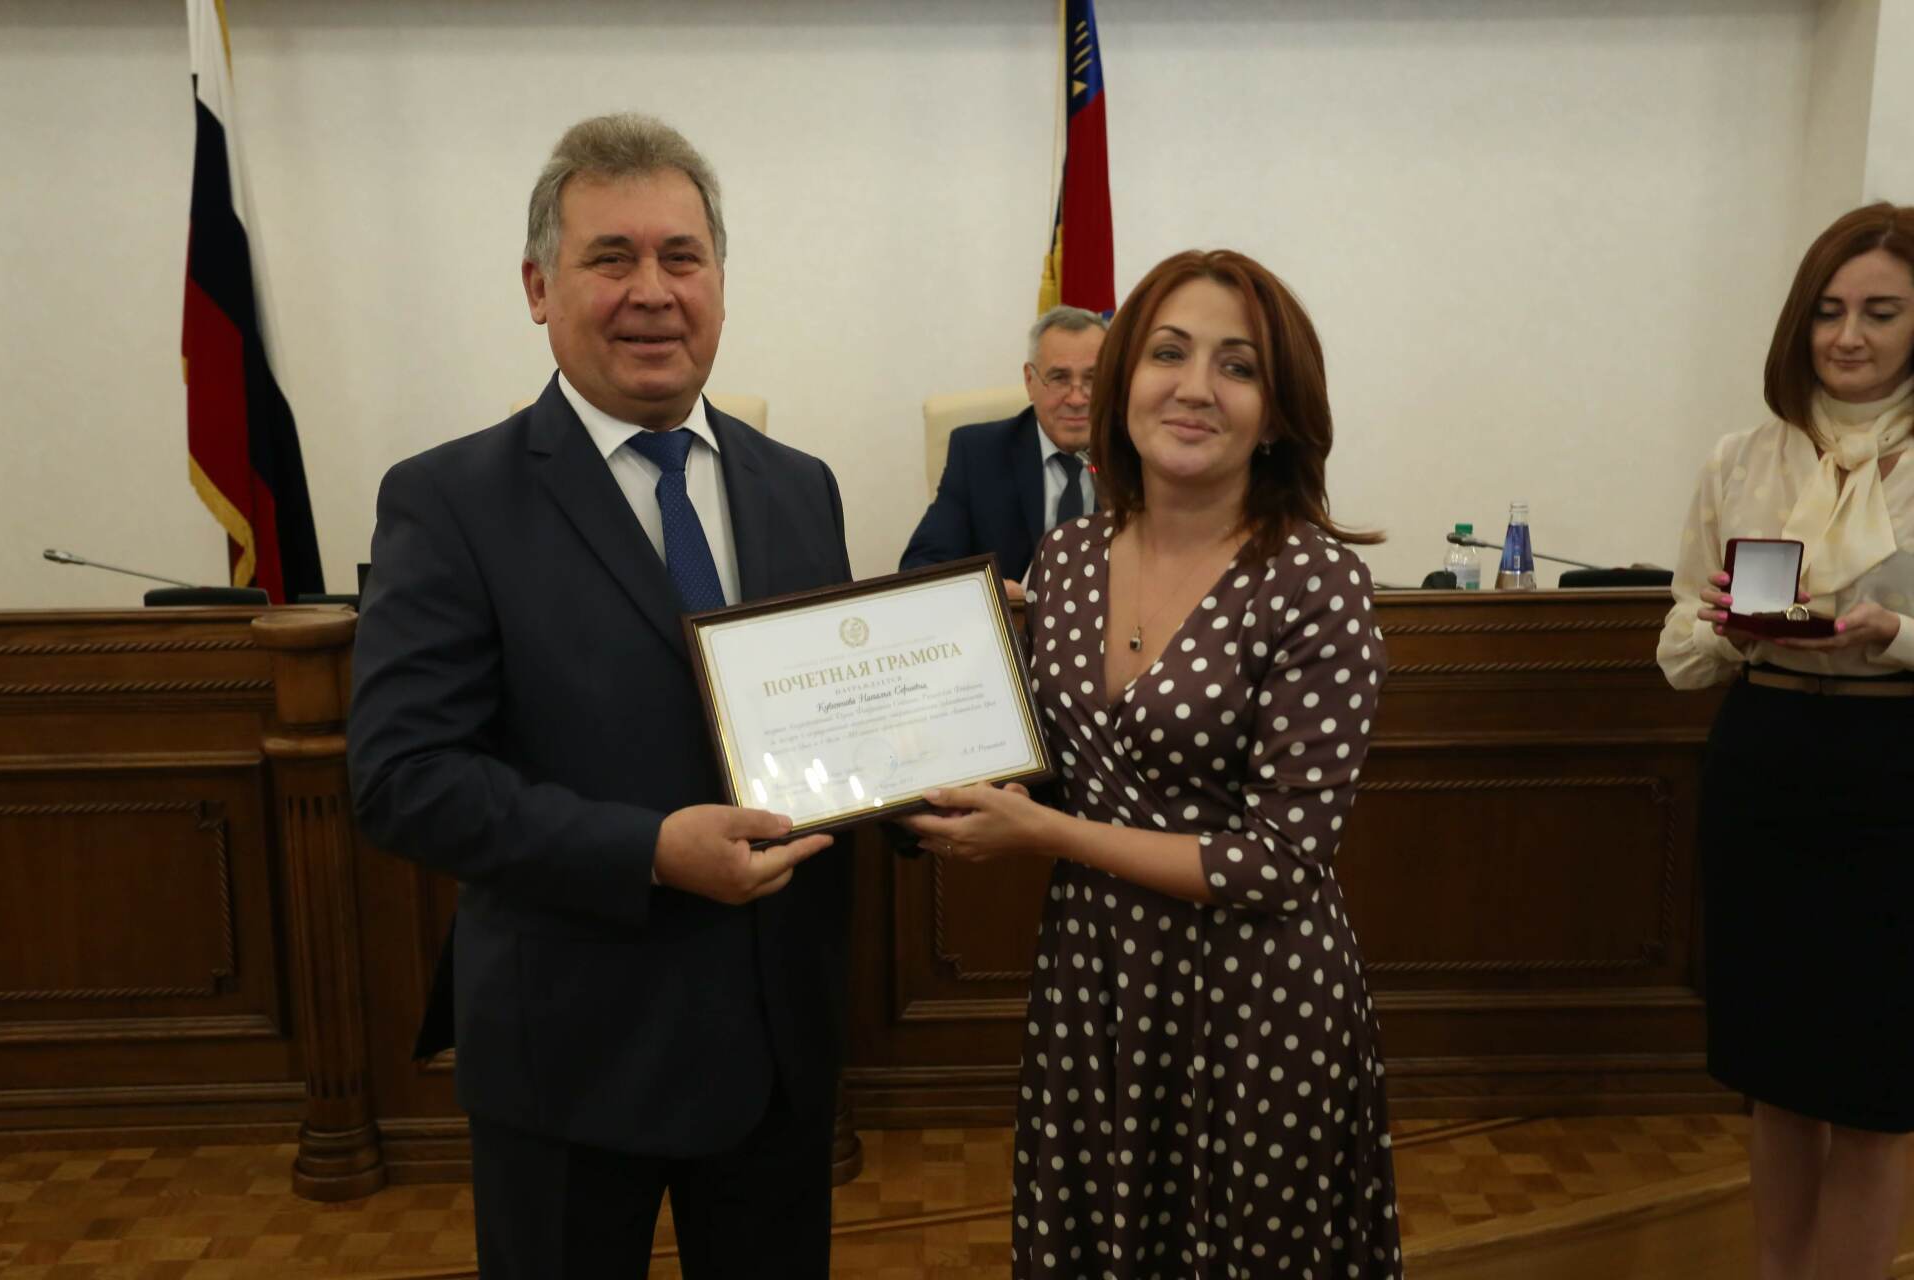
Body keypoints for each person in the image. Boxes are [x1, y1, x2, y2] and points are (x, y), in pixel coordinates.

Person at [347, 113, 853, 1279]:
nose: (653, 292)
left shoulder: (801, 487)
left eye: (683, 256)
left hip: (778, 1045)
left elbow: (826, 725)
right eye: (610, 257)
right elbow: (402, 779)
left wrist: (933, 780)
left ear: (719, 280)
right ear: (539, 287)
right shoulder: (449, 499)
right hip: (569, 1055)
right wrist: (649, 852)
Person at [906, 249, 1401, 1278]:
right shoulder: (1066, 560)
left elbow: (1277, 862)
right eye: (1168, 353)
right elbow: (1050, 753)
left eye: (1238, 365)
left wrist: (1043, 833)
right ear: (1123, 379)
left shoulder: (1317, 583)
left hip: (1255, 1001)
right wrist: (930, 717)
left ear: (1278, 412)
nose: (1194, 386)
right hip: (1094, 985)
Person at [1658, 202, 1914, 1280]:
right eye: (1827, 310)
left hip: (1896, 769)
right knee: (1777, 1076)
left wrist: (1897, 633)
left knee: (1878, 1086)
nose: (1847, 335)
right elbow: (1678, 645)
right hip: (1765, 761)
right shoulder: (1742, 458)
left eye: (1880, 312)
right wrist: (1722, 626)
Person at [899, 306, 1106, 597]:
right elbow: (920, 568)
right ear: (1030, 381)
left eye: (1092, 379)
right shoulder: (978, 455)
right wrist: (988, 593)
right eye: (1059, 377)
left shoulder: (1140, 459)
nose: (1076, 398)